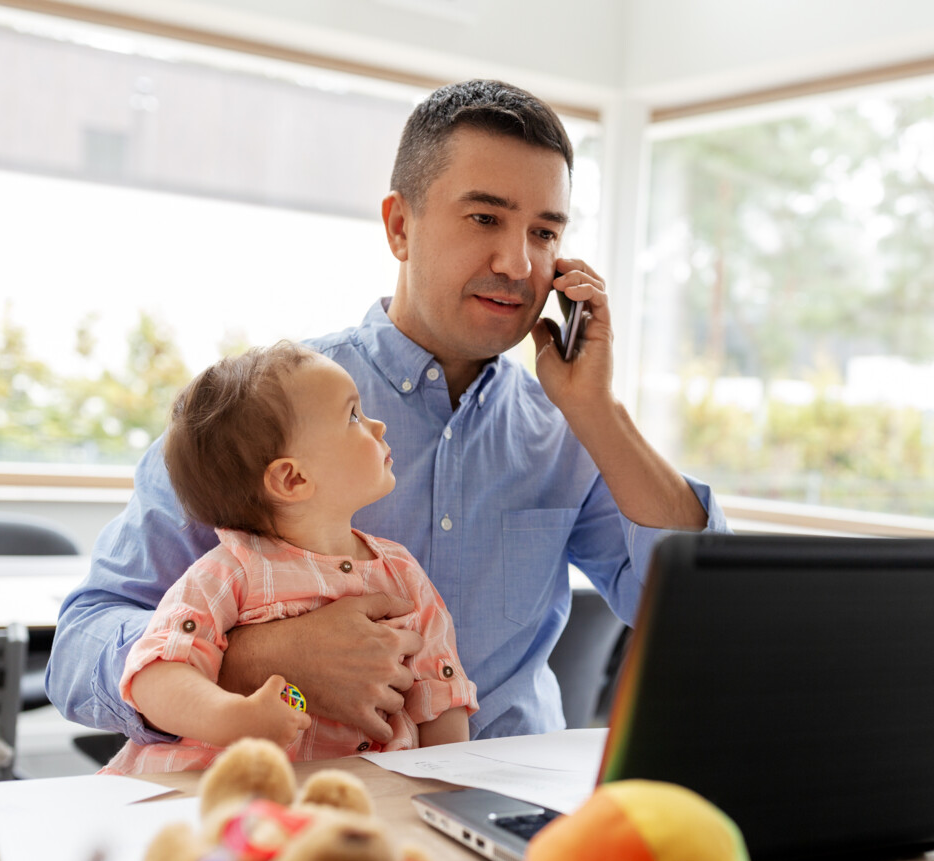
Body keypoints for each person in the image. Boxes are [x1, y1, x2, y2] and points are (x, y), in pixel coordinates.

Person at [49, 78, 728, 748]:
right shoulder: (263, 408)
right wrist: (266, 657)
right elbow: (79, 648)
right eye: (485, 218)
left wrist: (598, 410)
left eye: (545, 232)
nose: (519, 263)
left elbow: (705, 617)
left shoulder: (570, 428)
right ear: (401, 227)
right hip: (304, 799)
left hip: (513, 795)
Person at [101, 341, 476, 775]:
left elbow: (440, 693)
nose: (377, 425)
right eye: (353, 416)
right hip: (218, 790)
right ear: (292, 478)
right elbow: (155, 673)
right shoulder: (227, 573)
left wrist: (449, 781)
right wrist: (232, 717)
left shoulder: (402, 572)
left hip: (361, 795)